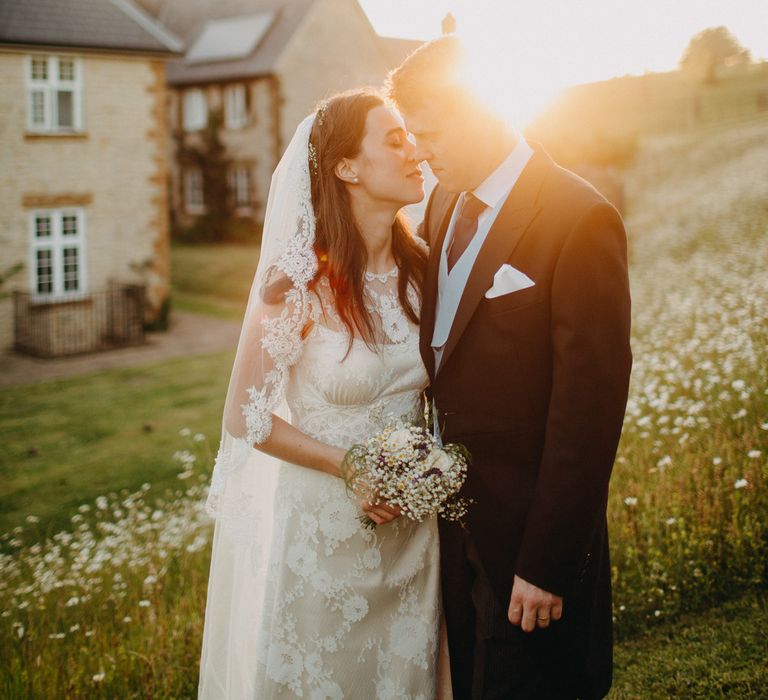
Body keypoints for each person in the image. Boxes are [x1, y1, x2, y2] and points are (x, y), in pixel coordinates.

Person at [388, 37, 633, 699]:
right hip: (449, 534)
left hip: (527, 543)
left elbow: (589, 412)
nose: (420, 150)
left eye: (430, 132)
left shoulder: (578, 218)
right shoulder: (440, 206)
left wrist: (547, 564)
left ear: (480, 113)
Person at [198, 89, 444, 699]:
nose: (415, 150)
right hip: (321, 540)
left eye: (410, 137)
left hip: (413, 536)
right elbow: (245, 417)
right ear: (346, 168)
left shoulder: (427, 270)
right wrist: (350, 466)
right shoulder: (300, 283)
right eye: (393, 140)